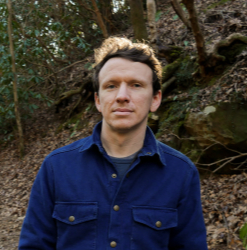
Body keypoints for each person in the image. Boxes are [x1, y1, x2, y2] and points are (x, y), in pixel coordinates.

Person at [19, 37, 208, 250]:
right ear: (98, 100)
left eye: (136, 85)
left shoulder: (181, 173)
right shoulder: (57, 167)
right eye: (111, 86)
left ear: (155, 99)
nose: (122, 96)